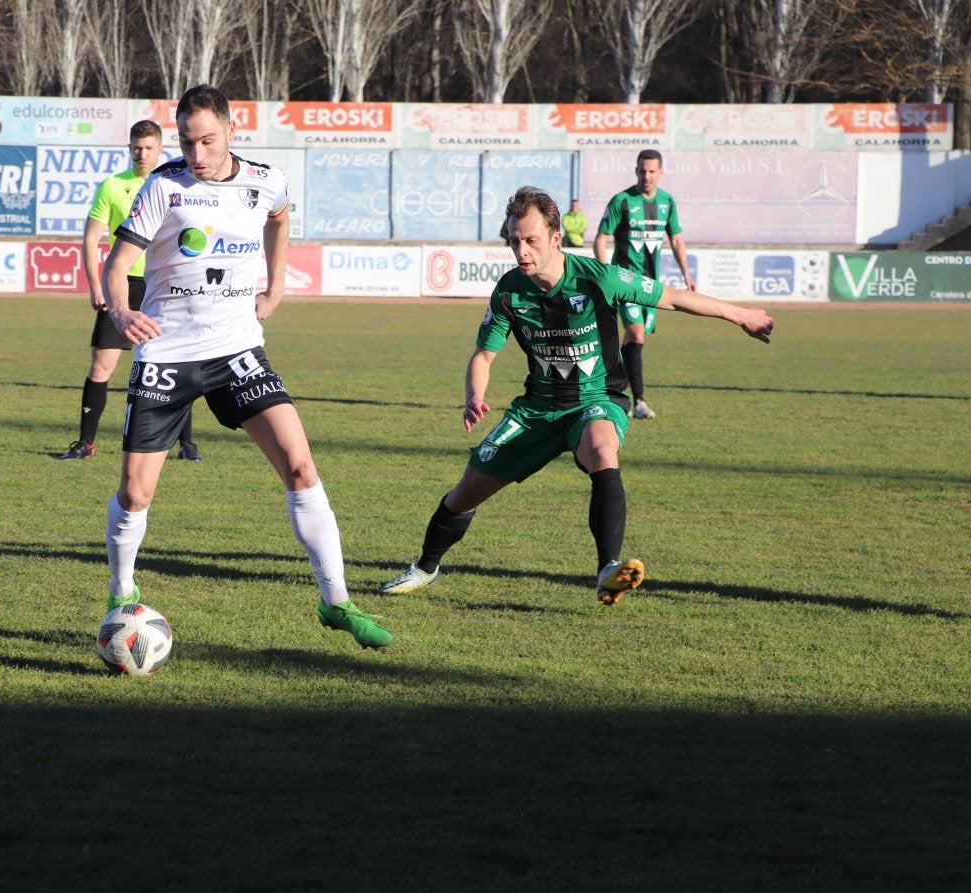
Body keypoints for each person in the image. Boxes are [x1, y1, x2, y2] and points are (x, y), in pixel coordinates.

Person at [380, 186, 772, 606]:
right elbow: (484, 354)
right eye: (514, 241)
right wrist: (475, 394)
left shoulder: (597, 276)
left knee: (603, 449)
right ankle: (425, 567)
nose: (522, 250)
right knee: (464, 495)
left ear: (554, 238)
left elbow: (672, 297)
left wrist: (741, 314)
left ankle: (608, 571)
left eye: (530, 239)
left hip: (595, 400)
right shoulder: (510, 291)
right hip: (536, 411)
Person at [100, 84, 391, 649]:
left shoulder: (264, 179)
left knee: (301, 465)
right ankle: (121, 591)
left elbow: (280, 217)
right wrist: (120, 308)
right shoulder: (164, 187)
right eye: (187, 141)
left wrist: (276, 285)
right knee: (136, 493)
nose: (198, 154)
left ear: (232, 131)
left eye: (208, 140)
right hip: (168, 353)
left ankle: (338, 603)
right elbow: (119, 264)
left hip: (237, 349)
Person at [62, 120, 200, 462]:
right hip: (121, 285)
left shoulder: (176, 183)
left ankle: (188, 445)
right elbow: (92, 239)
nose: (142, 154)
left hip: (163, 284)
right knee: (100, 367)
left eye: (149, 148)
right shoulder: (112, 186)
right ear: (129, 148)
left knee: (175, 365)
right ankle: (85, 444)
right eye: (137, 148)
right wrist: (96, 286)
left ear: (160, 149)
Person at [593, 149, 694, 419]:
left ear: (660, 172)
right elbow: (601, 237)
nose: (646, 176)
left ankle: (608, 392)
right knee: (636, 335)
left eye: (651, 171)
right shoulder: (622, 201)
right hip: (625, 281)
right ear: (635, 170)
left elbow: (676, 239)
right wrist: (605, 274)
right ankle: (638, 403)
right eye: (641, 170)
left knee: (633, 342)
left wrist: (686, 275)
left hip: (652, 285)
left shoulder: (667, 202)